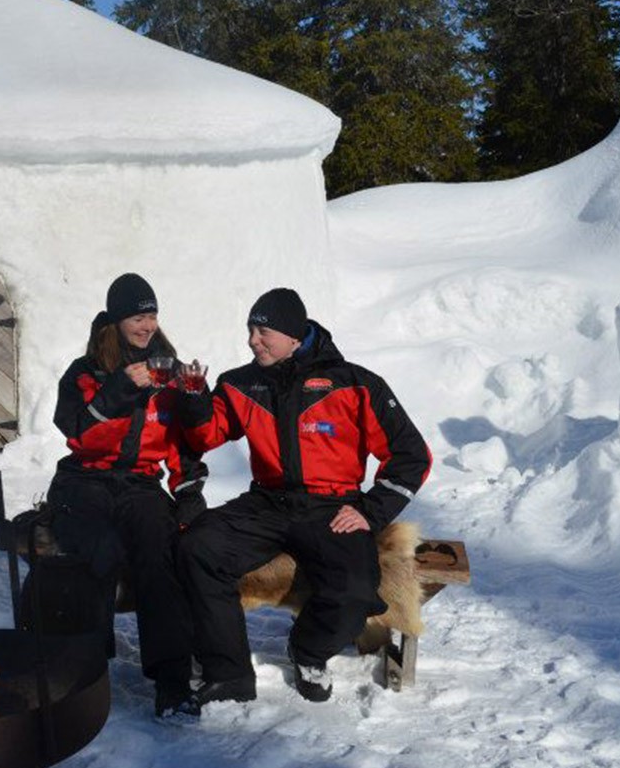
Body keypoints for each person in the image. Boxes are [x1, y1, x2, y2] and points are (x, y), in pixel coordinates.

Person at [175, 288, 431, 705]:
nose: (252, 340)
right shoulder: (241, 383)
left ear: (294, 335)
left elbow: (412, 455)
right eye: (250, 330)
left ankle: (309, 651)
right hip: (266, 503)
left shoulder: (354, 384)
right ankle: (229, 672)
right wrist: (193, 399)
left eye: (263, 331)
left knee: (355, 589)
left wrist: (370, 510)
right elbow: (206, 435)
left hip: (331, 509)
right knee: (197, 547)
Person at [48, 272, 208, 717]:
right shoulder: (86, 373)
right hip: (83, 480)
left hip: (139, 483)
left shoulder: (167, 371)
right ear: (116, 320)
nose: (147, 325)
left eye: (152, 314)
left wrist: (189, 489)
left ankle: (172, 680)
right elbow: (77, 431)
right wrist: (118, 389)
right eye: (137, 316)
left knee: (160, 549)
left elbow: (185, 440)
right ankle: (85, 669)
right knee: (99, 549)